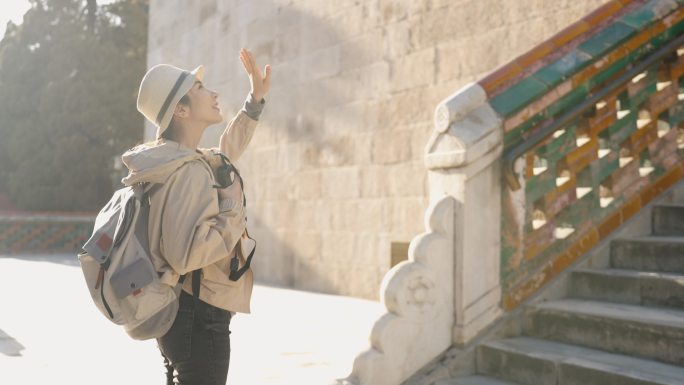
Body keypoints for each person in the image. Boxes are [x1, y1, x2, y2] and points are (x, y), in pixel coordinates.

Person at [119, 48, 272, 385]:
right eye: (200, 88)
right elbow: (184, 254)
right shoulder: (184, 171)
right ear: (181, 110)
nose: (213, 93)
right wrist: (231, 211)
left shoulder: (178, 160)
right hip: (198, 315)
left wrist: (254, 102)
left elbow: (225, 153)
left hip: (185, 311)